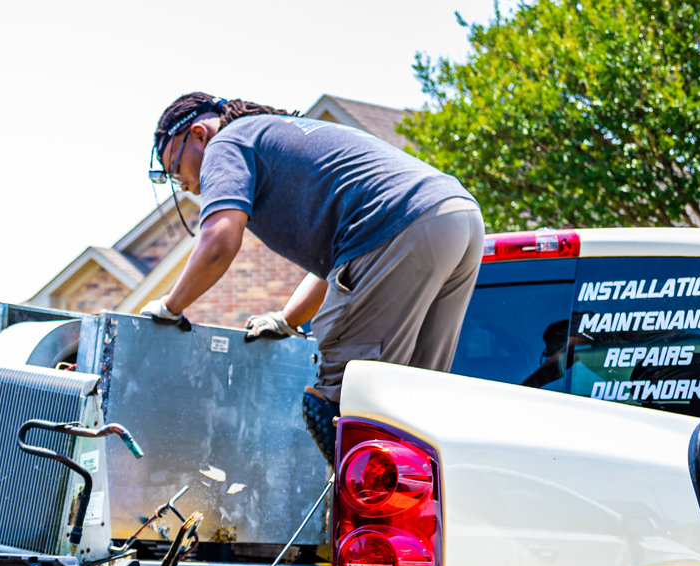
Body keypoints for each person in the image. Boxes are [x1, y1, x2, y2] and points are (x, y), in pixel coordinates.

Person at [141, 92, 484, 464]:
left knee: (344, 404)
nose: (183, 185)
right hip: (458, 216)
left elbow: (219, 242)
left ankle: (360, 500)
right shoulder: (272, 136)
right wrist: (287, 320)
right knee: (411, 408)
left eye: (175, 168)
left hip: (399, 224)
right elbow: (344, 266)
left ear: (198, 134)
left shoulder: (226, 143)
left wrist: (169, 307)